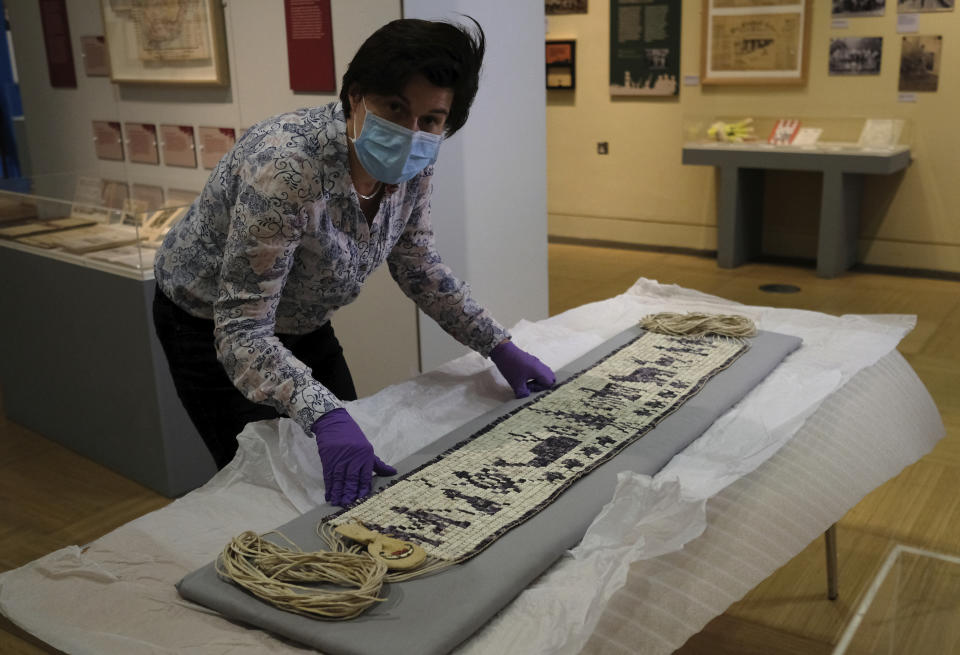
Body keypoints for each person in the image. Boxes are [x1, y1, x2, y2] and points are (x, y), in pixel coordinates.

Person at [152, 18, 555, 507]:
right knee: (267, 486)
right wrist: (323, 416)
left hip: (301, 319)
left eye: (430, 120)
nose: (411, 132)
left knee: (351, 455)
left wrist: (497, 344)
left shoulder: (416, 159)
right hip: (209, 327)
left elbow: (417, 262)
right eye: (395, 108)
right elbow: (241, 331)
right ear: (356, 96)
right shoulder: (285, 167)